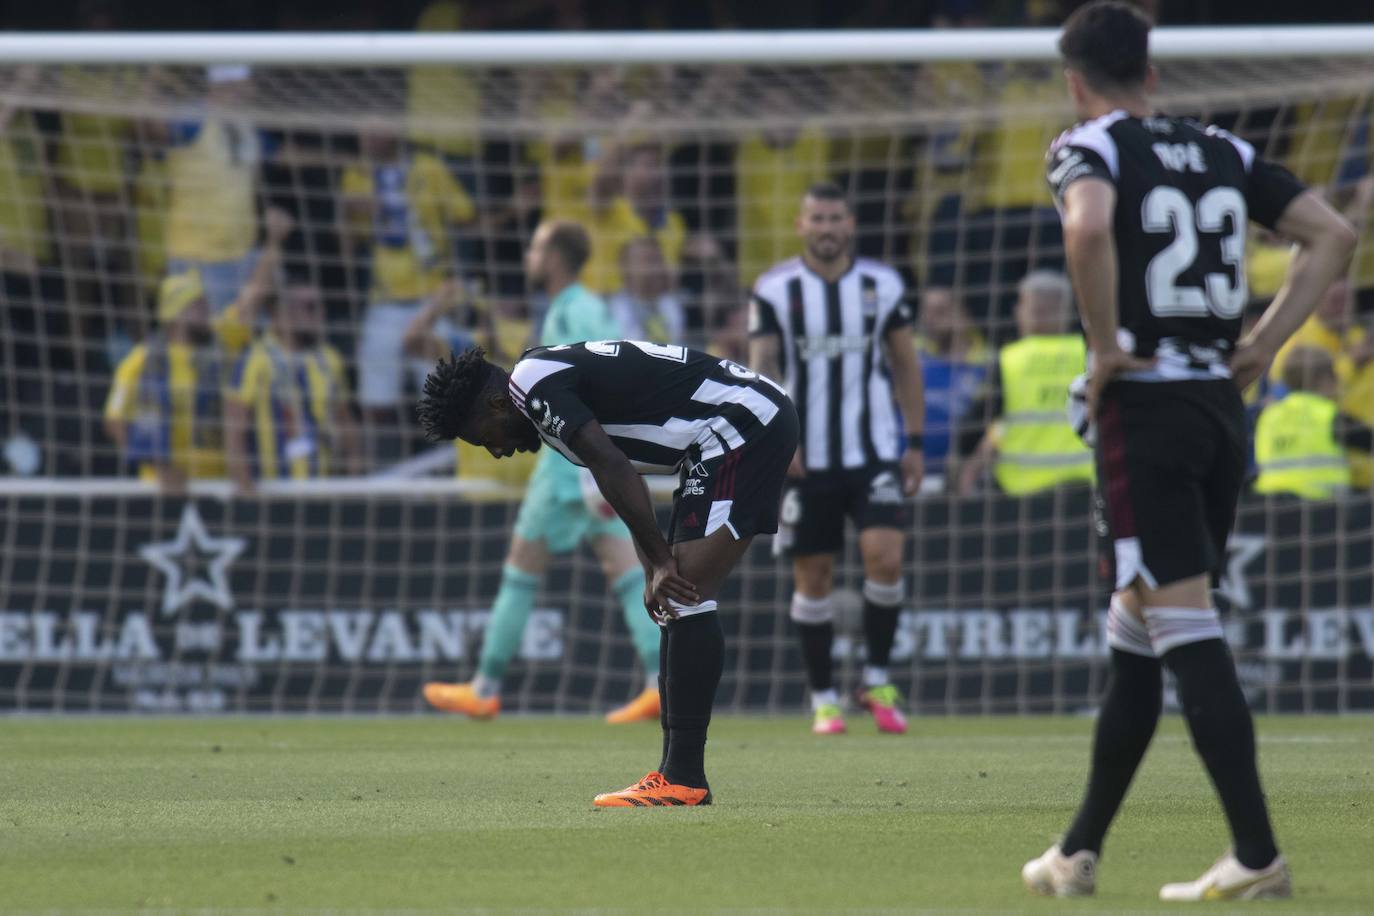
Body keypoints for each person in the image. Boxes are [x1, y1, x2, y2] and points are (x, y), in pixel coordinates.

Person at [1021, 2, 1356, 902]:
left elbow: (1087, 228)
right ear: (1153, 74)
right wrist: (1266, 341)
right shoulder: (1223, 151)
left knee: (1178, 619)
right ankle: (1076, 852)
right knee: (1137, 623)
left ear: (1077, 82)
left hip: (1147, 409)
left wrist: (1101, 349)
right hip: (1218, 404)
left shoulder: (1087, 148)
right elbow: (1334, 234)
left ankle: (1256, 854)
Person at [418, 338, 798, 806]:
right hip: (720, 433)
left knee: (685, 593)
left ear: (497, 402)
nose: (496, 451)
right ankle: (675, 775)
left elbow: (612, 464)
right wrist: (650, 564)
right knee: (675, 597)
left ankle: (683, 778)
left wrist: (660, 563)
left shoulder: (530, 386)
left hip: (739, 425)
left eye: (483, 436)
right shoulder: (539, 379)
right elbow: (622, 474)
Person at [420, 220, 666, 725]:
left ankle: (486, 687)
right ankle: (657, 681)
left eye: (534, 247)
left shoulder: (579, 308)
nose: (528, 257)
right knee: (620, 570)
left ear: (554, 255)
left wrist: (587, 475)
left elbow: (592, 390)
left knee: (527, 568)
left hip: (569, 470)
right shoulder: (568, 306)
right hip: (574, 466)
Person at [747, 182, 925, 736]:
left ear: (851, 225)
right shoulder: (774, 290)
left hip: (873, 452)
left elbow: (904, 363)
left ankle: (875, 679)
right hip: (805, 457)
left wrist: (914, 440)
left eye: (836, 218)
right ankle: (823, 696)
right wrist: (778, 438)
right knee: (814, 576)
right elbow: (762, 368)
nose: (827, 228)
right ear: (801, 225)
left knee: (886, 559)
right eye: (817, 218)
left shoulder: (883, 283)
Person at [340, 124, 476, 464]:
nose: (366, 135)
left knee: (443, 396)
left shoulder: (429, 168)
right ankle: (383, 470)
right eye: (362, 128)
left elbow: (466, 217)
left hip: (433, 300)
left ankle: (446, 469)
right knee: (375, 402)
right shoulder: (356, 175)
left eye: (375, 125)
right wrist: (348, 210)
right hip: (383, 302)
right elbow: (346, 247)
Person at [956, 271, 1093, 496]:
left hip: (1025, 492)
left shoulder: (1010, 359)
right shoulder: (1088, 352)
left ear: (1037, 310)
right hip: (1086, 486)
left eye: (1020, 304)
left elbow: (973, 426)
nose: (1016, 312)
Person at [225, 279, 362, 492]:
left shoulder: (329, 359)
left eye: (320, 306)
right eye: (310, 307)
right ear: (282, 312)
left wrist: (354, 480)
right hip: (271, 491)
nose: (319, 314)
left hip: (322, 491)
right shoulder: (253, 358)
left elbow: (345, 422)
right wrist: (247, 492)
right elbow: (235, 432)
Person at [1253, 347, 1371, 499]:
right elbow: (1368, 441)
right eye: (1334, 375)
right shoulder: (1327, 415)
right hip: (1319, 506)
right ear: (1322, 379)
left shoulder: (1268, 414)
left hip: (1268, 502)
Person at [914, 286, 992, 481]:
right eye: (926, 312)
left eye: (940, 312)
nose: (929, 320)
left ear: (963, 314)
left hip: (962, 476)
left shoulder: (986, 364)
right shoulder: (912, 355)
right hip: (910, 471)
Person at [608, 236, 687, 343]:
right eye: (647, 260)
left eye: (658, 260)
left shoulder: (671, 305)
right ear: (626, 266)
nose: (655, 268)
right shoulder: (613, 309)